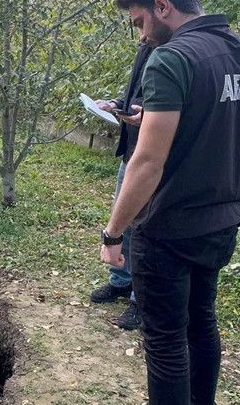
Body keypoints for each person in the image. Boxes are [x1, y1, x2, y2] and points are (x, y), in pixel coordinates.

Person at [99, 0, 240, 404]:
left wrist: (114, 233)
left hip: (168, 229)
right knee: (202, 324)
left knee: (166, 342)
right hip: (222, 222)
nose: (141, 36)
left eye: (140, 22)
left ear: (163, 6)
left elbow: (147, 163)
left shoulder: (171, 59)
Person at [88, 43, 152, 331]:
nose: (140, 32)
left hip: (152, 157)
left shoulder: (177, 52)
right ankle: (121, 282)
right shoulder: (147, 47)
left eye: (141, 23)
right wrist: (114, 104)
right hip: (131, 152)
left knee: (143, 228)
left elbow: (173, 110)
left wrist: (148, 116)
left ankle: (140, 299)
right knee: (122, 216)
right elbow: (134, 94)